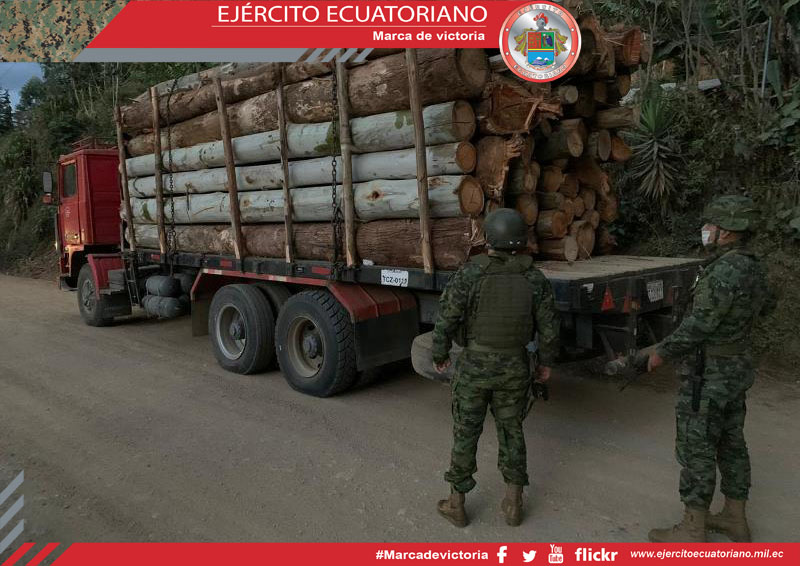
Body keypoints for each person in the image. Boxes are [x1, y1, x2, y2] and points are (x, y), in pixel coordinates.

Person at [647, 196, 776, 543]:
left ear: (727, 231)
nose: (705, 230)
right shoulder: (754, 267)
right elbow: (766, 308)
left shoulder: (722, 271)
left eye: (711, 225)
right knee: (732, 442)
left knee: (698, 446)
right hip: (736, 368)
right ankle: (735, 518)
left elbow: (699, 325)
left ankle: (693, 528)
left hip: (709, 373)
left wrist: (662, 353)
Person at [431, 208, 560, 528]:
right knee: (512, 431)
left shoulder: (470, 274)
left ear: (489, 238)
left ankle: (457, 504)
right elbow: (549, 328)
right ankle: (514, 504)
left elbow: (446, 318)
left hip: (474, 368)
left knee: (466, 432)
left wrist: (440, 353)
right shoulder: (534, 278)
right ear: (521, 240)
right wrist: (545, 363)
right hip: (515, 368)